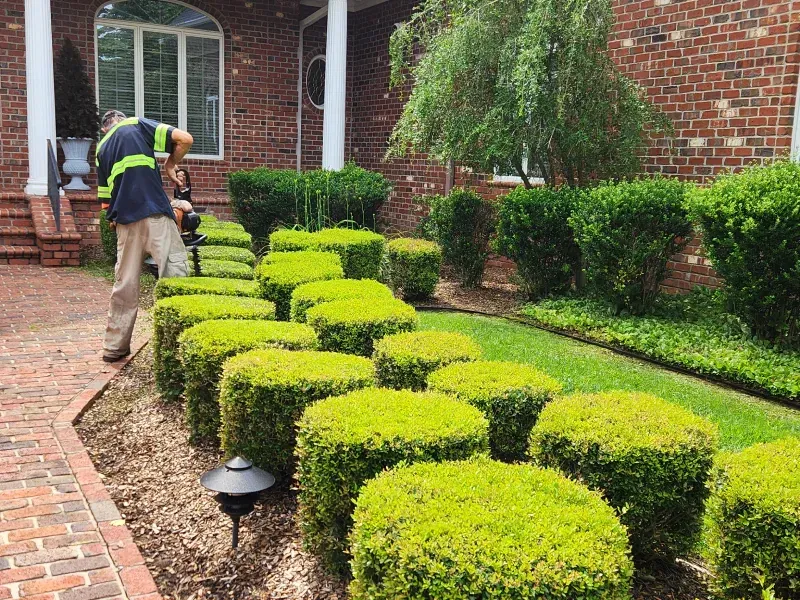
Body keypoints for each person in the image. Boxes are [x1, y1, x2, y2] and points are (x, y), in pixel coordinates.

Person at [97, 109, 194, 362]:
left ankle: (114, 348)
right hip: (156, 215)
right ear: (121, 119)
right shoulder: (136, 124)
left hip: (125, 223)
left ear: (104, 129)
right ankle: (176, 347)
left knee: (125, 284)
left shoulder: (101, 149)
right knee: (175, 275)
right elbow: (185, 139)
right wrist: (170, 164)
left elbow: (106, 202)